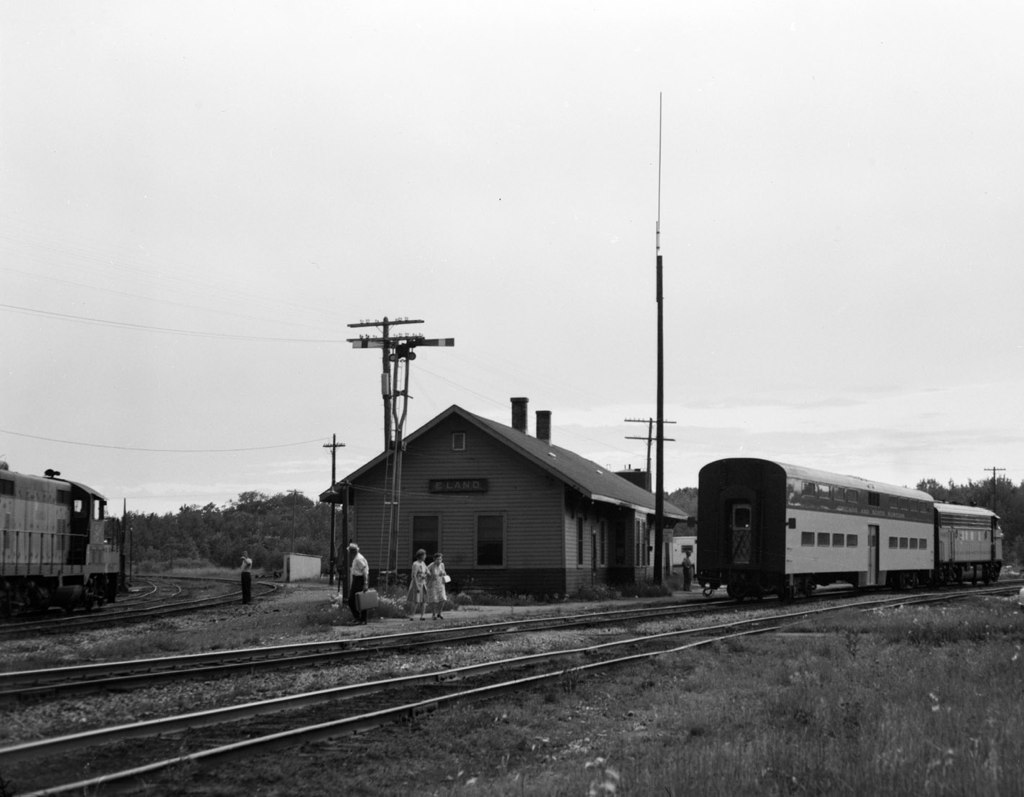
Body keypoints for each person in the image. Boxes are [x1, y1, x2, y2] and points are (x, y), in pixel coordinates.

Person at [347, 542, 370, 624]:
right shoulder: (356, 558)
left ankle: (360, 618)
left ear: (353, 551)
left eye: (350, 551)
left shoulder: (358, 559)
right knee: (359, 599)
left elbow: (364, 571)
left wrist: (365, 583)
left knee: (353, 600)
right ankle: (361, 618)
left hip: (359, 580)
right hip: (356, 579)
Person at [407, 549, 428, 620]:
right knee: (416, 600)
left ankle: (422, 616)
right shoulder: (415, 564)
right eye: (424, 555)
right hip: (417, 584)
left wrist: (425, 575)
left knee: (424, 600)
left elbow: (427, 572)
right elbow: (414, 575)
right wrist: (416, 586)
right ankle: (412, 615)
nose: (425, 556)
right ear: (421, 556)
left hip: (423, 583)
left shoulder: (423, 563)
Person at [426, 552, 448, 619]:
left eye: (440, 559)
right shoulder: (432, 565)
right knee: (434, 600)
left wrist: (444, 573)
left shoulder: (442, 565)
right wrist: (430, 575)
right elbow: (425, 570)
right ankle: (433, 614)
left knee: (443, 599)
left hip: (441, 584)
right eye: (438, 559)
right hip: (433, 584)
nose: (439, 561)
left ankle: (439, 613)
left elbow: (444, 572)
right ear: (434, 559)